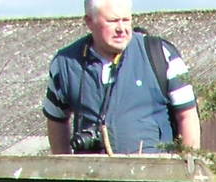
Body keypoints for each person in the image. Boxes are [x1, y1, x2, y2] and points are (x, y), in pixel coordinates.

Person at [44, 0, 199, 155]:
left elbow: (187, 115)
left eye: (126, 20)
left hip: (156, 173)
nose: (121, 29)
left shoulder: (161, 54)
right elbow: (56, 120)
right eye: (112, 21)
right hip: (93, 175)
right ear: (89, 21)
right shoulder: (65, 63)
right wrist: (65, 169)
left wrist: (187, 167)